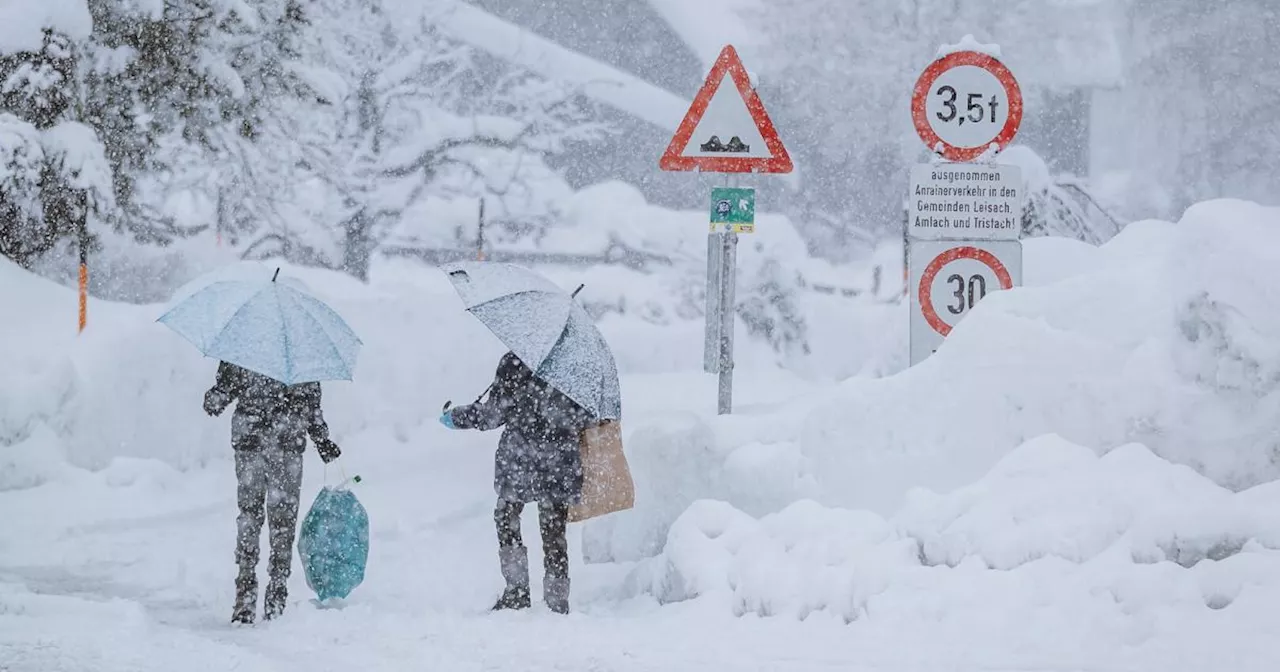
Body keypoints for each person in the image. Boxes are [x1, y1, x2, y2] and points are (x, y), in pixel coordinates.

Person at [441, 352, 592, 614]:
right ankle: (557, 600)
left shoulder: (516, 361)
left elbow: (491, 415)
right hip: (560, 463)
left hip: (520, 460)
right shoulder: (573, 364)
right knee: (554, 529)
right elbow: (587, 418)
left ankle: (517, 591)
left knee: (506, 516)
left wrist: (456, 416)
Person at [203, 361, 342, 624]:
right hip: (287, 442)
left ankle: (244, 594)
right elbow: (310, 403)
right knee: (283, 521)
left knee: (249, 515)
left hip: (250, 441)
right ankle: (277, 595)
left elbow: (222, 393)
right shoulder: (301, 352)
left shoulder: (246, 347)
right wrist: (321, 439)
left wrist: (214, 397)